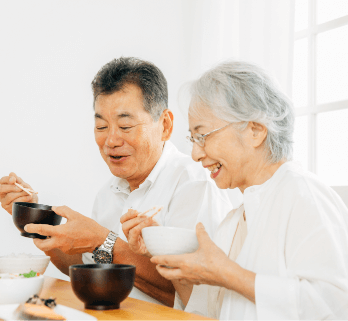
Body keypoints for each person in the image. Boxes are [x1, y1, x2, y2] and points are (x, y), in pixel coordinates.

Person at [123, 61, 348, 320]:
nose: (195, 154)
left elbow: (340, 310)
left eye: (203, 135)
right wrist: (164, 256)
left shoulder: (303, 195)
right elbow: (209, 312)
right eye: (193, 139)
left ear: (255, 131)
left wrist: (227, 273)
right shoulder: (234, 221)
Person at [0, 57, 232, 307]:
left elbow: (197, 298)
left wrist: (102, 239)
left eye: (125, 125)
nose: (111, 140)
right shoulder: (109, 192)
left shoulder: (195, 185)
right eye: (101, 126)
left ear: (164, 125)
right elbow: (92, 268)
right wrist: (37, 223)